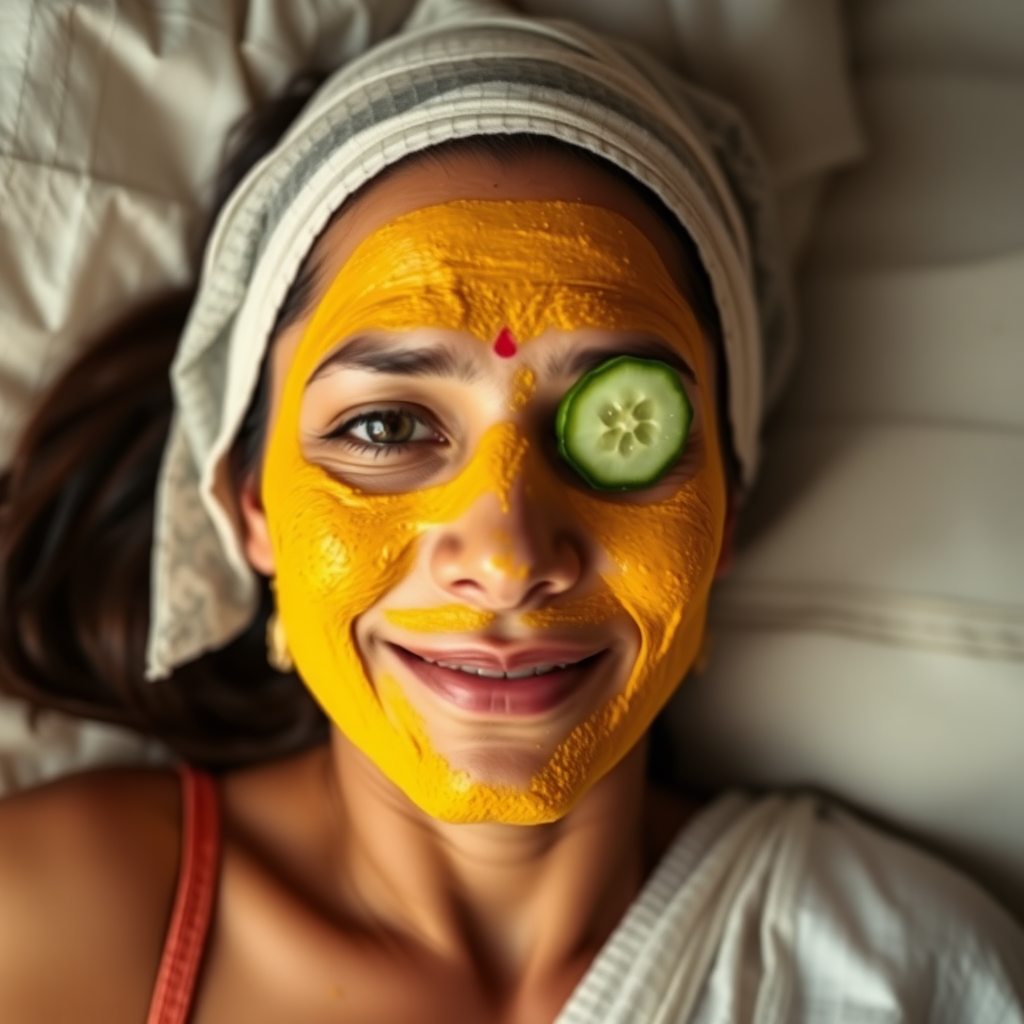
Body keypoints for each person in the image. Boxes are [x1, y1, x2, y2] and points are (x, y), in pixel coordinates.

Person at [0, 2, 1022, 1022]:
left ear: (724, 511)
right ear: (248, 503)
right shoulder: (50, 926)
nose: (507, 555)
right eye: (389, 426)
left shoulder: (903, 970)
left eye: (622, 426)